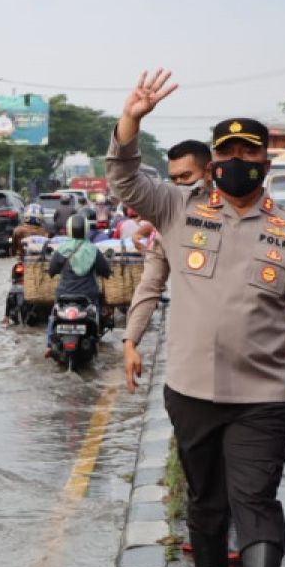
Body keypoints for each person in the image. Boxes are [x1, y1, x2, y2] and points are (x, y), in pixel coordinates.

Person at [107, 68, 285, 567]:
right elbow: (125, 178)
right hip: (190, 389)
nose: (238, 159)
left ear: (266, 162)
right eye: (227, 151)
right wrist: (131, 121)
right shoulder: (179, 209)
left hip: (263, 395)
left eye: (249, 151)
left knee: (255, 499)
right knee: (206, 498)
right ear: (213, 162)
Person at [122, 139, 212, 393]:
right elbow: (149, 287)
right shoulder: (167, 226)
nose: (180, 185)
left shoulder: (237, 216)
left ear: (209, 172)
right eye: (174, 179)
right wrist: (130, 342)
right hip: (191, 362)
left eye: (187, 176)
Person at [45, 214, 111, 356]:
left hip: (64, 295)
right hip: (88, 297)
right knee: (97, 313)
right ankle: (96, 338)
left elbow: (51, 271)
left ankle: (49, 345)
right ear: (86, 229)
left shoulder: (62, 250)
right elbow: (106, 271)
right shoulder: (93, 250)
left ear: (69, 230)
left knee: (53, 315)